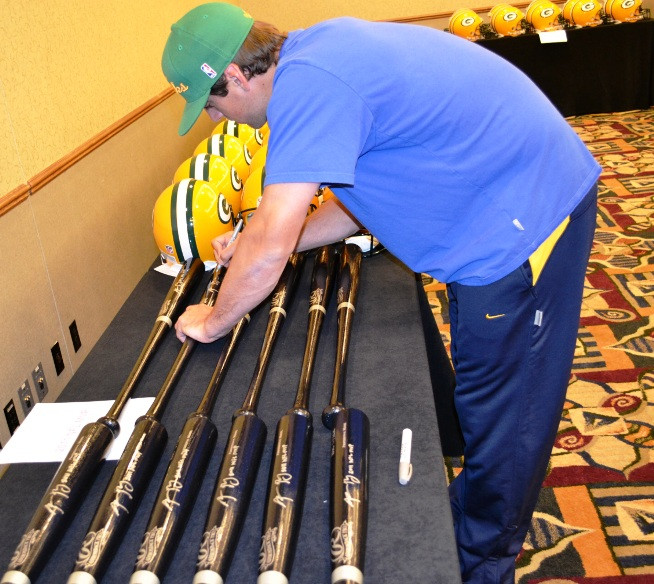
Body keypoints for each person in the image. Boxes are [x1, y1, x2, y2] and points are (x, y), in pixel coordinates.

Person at [162, 3, 601, 583]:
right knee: (482, 386)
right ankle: (469, 518)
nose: (223, 121)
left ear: (238, 76)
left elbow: (269, 245)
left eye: (215, 105)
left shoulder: (309, 88)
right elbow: (346, 199)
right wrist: (276, 239)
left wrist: (214, 319)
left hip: (526, 219)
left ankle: (481, 558)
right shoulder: (317, 53)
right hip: (501, 201)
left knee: (508, 408)